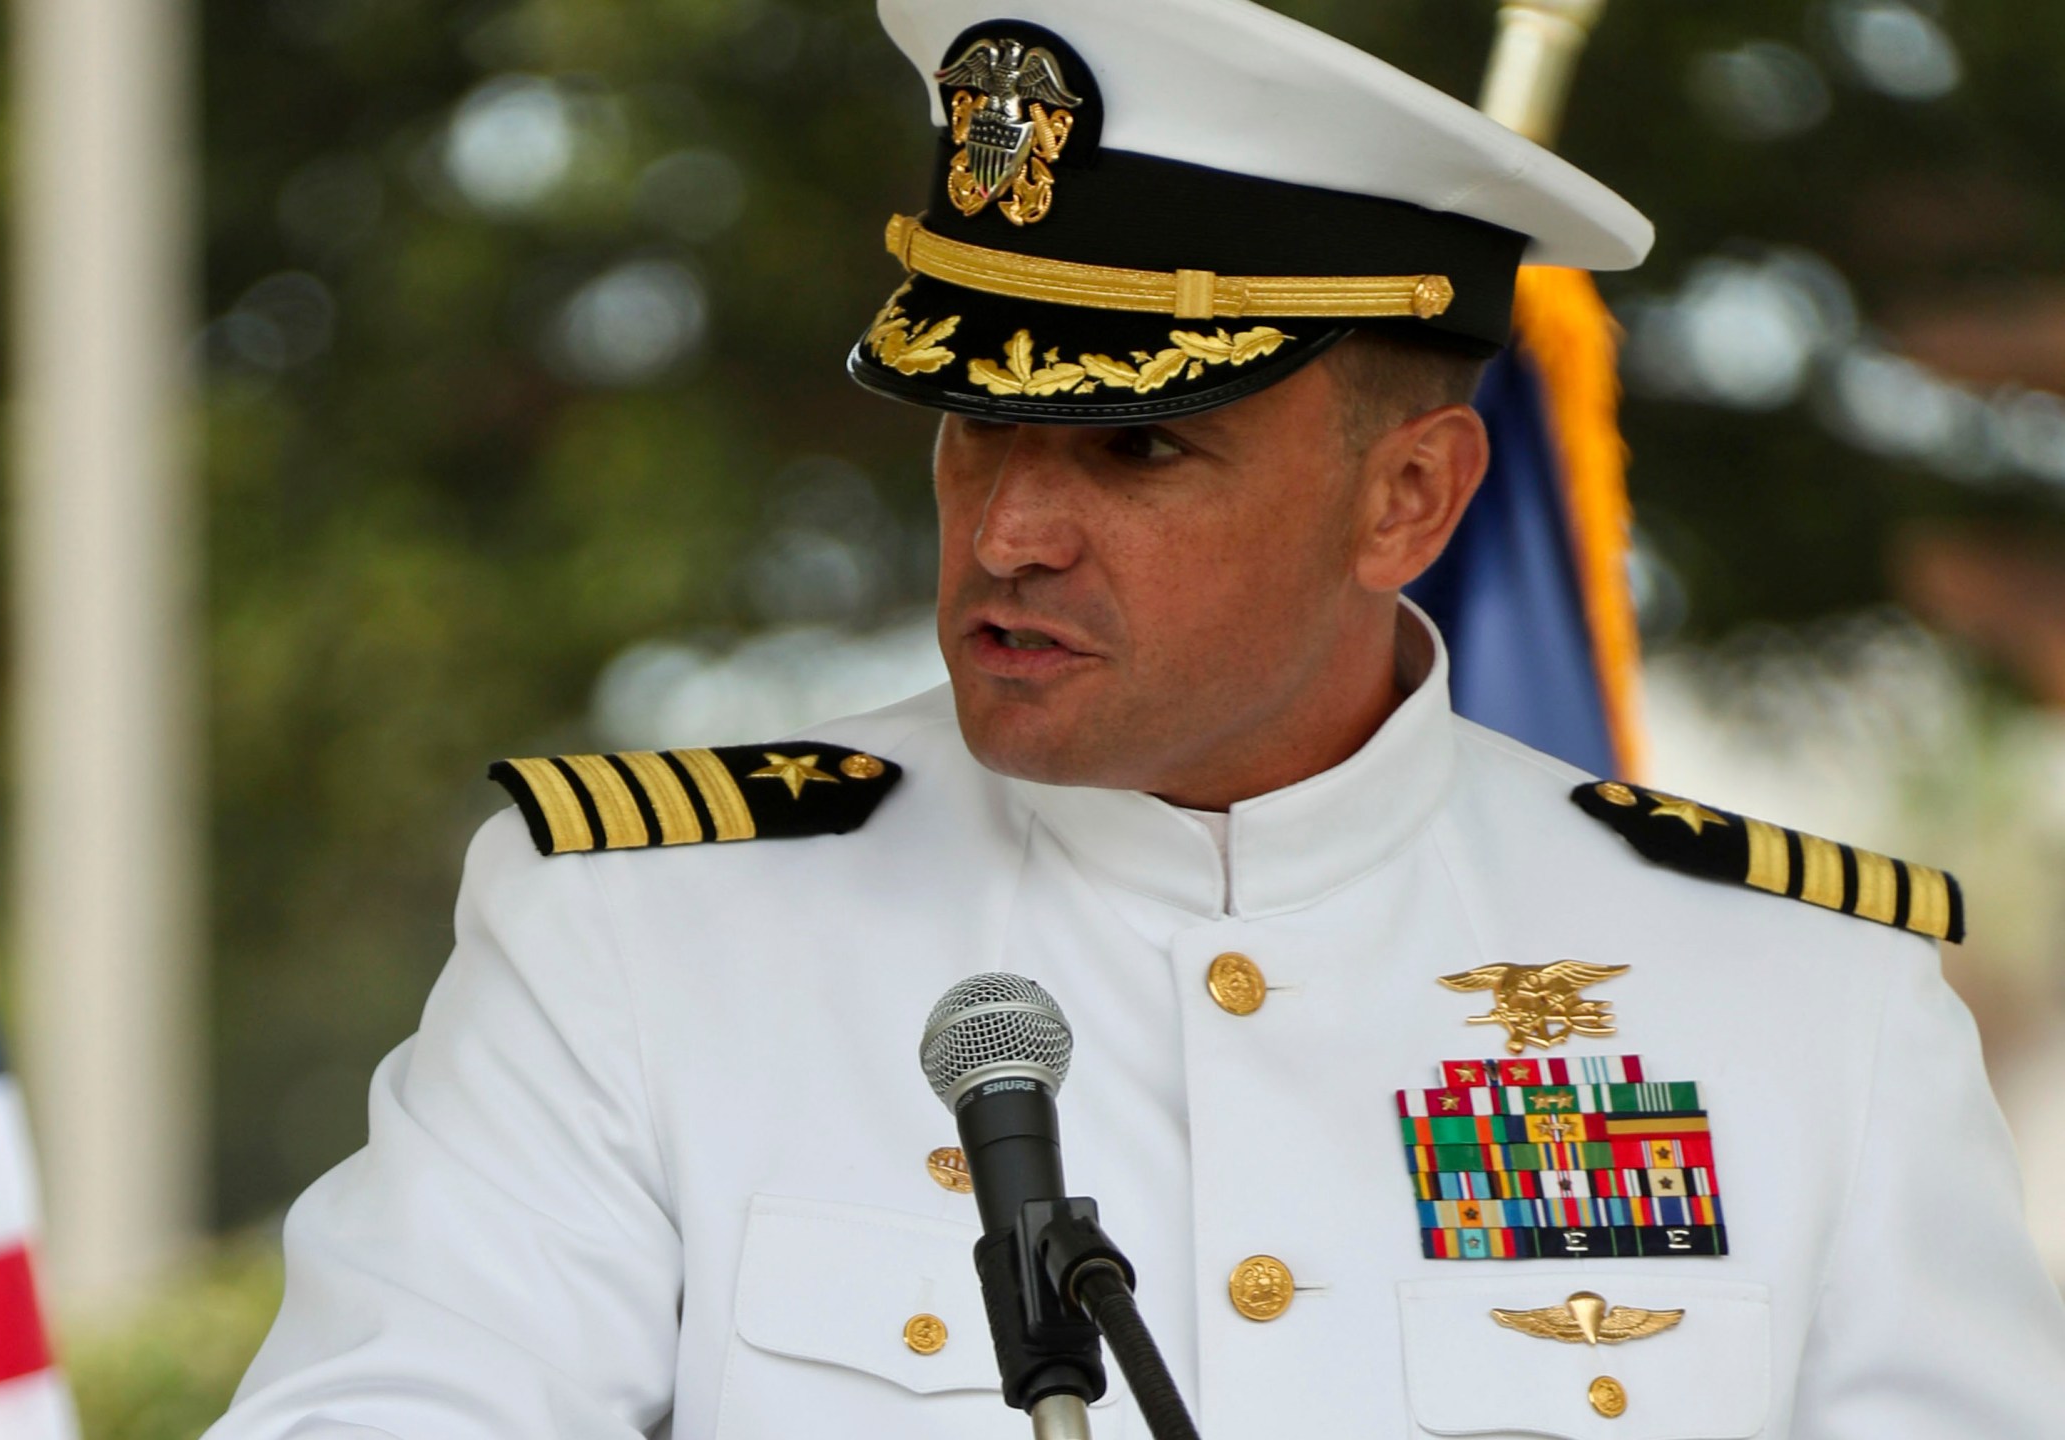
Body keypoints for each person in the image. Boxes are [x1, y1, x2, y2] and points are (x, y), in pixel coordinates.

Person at [208, 1, 2065, 1435]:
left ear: (1408, 502)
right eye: (974, 428)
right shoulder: (632, 930)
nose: (1011, 531)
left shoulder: (1792, 998)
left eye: (1136, 444)